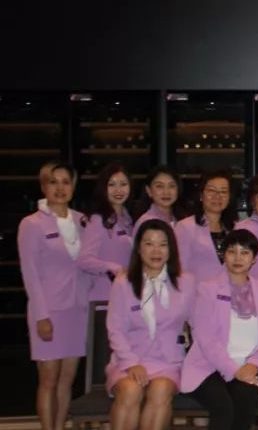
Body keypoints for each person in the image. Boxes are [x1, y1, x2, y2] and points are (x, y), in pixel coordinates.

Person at [105, 219, 196, 430]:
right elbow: (115, 329)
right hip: (129, 359)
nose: (156, 251)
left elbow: (198, 324)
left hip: (168, 361)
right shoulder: (123, 282)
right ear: (138, 248)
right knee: (130, 390)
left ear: (171, 249)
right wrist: (131, 363)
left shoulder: (186, 282)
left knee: (161, 390)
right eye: (149, 244)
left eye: (163, 244)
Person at [181, 230, 258, 430]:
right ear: (224, 255)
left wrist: (254, 364)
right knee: (224, 409)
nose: (238, 258)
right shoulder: (207, 289)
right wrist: (234, 370)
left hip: (247, 367)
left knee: (246, 400)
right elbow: (205, 338)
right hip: (208, 367)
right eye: (232, 252)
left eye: (245, 252)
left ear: (254, 259)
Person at [19, 161, 87, 430]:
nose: (60, 188)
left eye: (66, 182)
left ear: (73, 186)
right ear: (43, 186)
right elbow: (30, 273)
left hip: (78, 310)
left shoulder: (82, 221)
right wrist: (41, 315)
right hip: (49, 311)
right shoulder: (31, 224)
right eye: (53, 182)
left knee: (66, 380)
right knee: (48, 380)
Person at [78, 162, 135, 302]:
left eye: (123, 184)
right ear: (103, 188)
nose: (118, 190)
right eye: (112, 185)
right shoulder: (98, 219)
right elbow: (84, 260)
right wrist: (112, 267)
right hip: (104, 296)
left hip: (126, 295)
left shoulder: (128, 219)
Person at [175, 170, 238, 285]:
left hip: (229, 293)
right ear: (201, 195)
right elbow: (179, 269)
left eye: (223, 192)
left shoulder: (235, 228)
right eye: (211, 190)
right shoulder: (185, 227)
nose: (217, 196)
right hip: (196, 293)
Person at [133, 166, 182, 231]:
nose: (166, 192)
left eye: (171, 186)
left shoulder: (179, 218)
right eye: (159, 186)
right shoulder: (146, 222)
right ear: (148, 190)